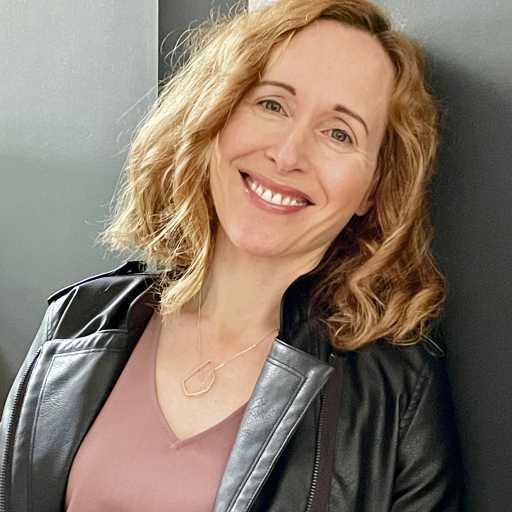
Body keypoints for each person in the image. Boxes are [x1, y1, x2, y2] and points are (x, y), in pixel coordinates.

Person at [0, 0, 465, 510]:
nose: (287, 154)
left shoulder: (398, 388)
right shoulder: (76, 319)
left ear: (373, 189)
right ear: (214, 115)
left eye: (339, 133)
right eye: (272, 104)